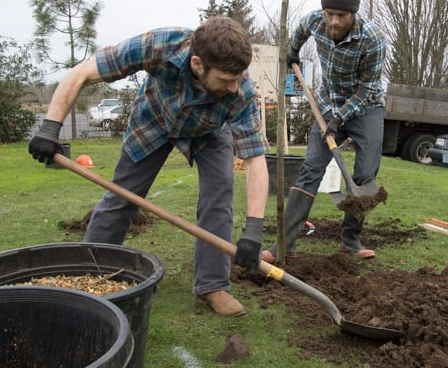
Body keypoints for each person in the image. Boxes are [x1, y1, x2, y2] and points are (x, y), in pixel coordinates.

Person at [29, 16, 270, 317]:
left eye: (238, 77)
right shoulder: (158, 46)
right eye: (225, 79)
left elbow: (255, 159)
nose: (235, 87)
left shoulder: (241, 91)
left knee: (219, 198)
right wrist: (50, 128)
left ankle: (213, 285)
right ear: (198, 64)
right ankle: (88, 272)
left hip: (210, 130)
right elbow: (81, 74)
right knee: (122, 196)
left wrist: (254, 230)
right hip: (154, 120)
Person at [262, 0, 386, 263]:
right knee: (310, 170)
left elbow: (368, 89)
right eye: (329, 14)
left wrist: (340, 119)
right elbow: (300, 32)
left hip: (366, 107)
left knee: (365, 174)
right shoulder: (314, 20)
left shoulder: (373, 40)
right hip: (328, 103)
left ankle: (350, 240)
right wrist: (292, 50)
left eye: (340, 15)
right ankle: (285, 244)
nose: (333, 21)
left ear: (353, 14)